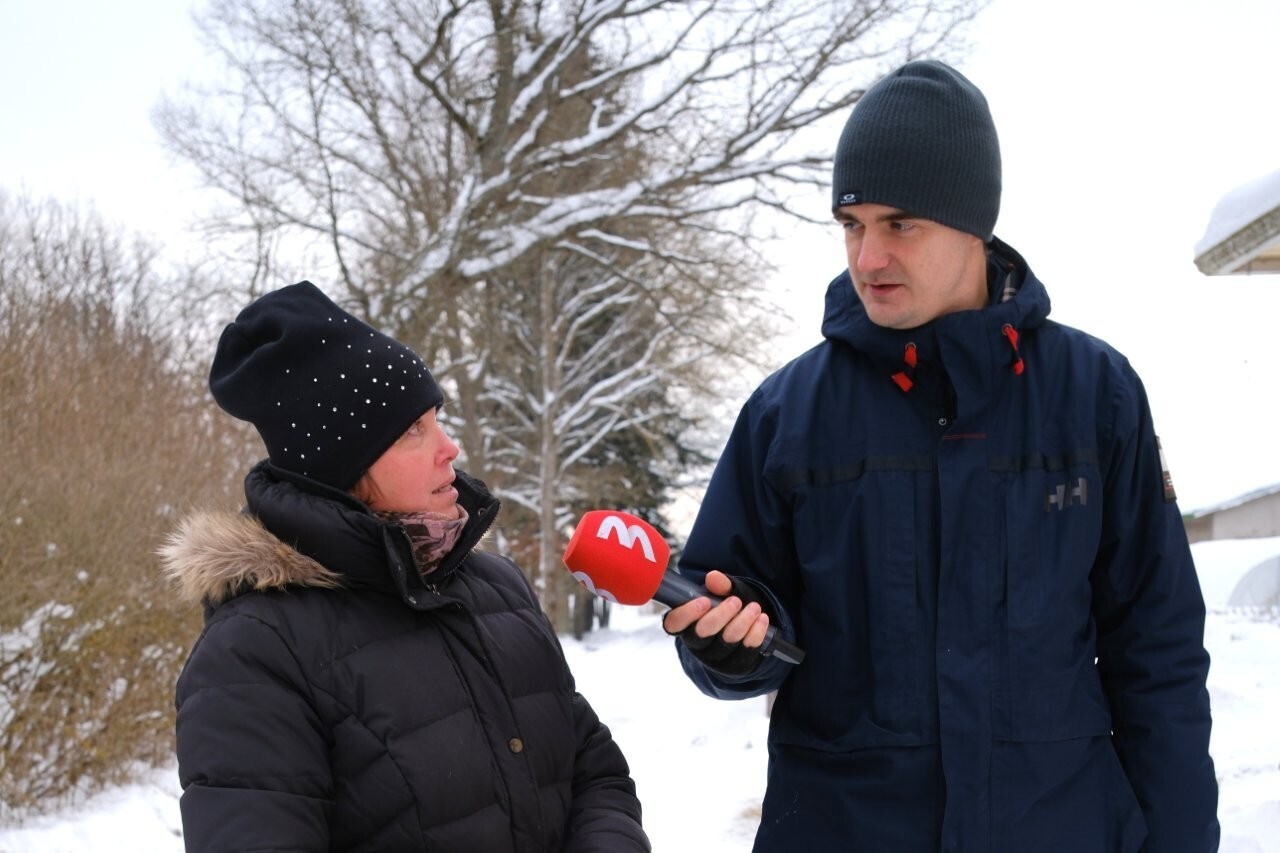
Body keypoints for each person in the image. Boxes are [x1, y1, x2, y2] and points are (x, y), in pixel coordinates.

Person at [662, 60, 1219, 852]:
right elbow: (727, 617)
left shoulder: (1097, 396)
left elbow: (1158, 657)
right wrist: (729, 643)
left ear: (974, 224)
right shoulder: (787, 415)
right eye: (852, 225)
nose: (868, 257)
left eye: (900, 224)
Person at [161, 281, 650, 852]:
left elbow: (595, 775)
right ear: (341, 466)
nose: (450, 447)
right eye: (414, 430)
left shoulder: (500, 591)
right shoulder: (254, 653)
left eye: (437, 418)